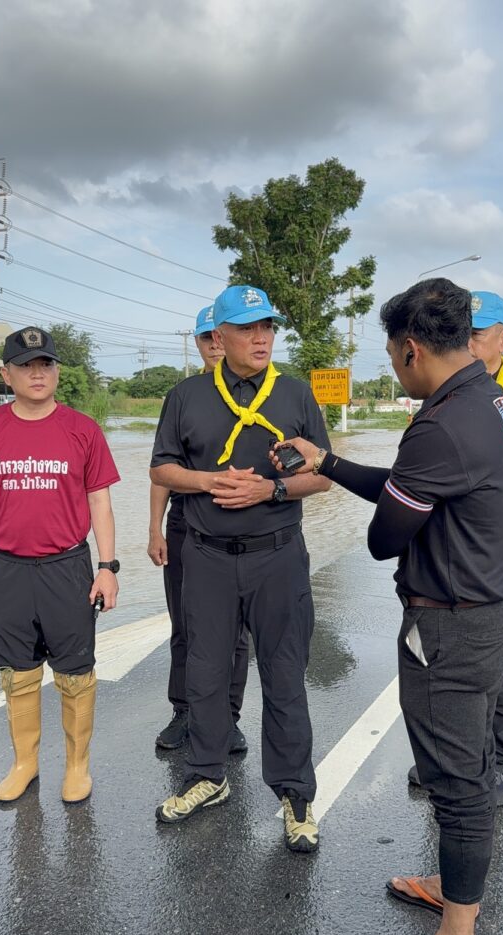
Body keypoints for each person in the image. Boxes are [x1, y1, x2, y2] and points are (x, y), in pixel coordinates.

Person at [270, 278, 503, 935]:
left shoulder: (441, 425)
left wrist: (385, 500)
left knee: (457, 783)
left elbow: (386, 536)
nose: (394, 367)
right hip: (498, 609)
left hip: (452, 627)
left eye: (391, 356)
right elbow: (421, 483)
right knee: (475, 763)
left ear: (411, 349)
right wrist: (326, 461)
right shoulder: (493, 399)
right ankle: (457, 888)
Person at [150, 284, 331, 853]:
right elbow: (161, 469)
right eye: (248, 328)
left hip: (277, 555)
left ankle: (296, 794)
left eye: (268, 327)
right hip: (205, 556)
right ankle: (207, 775)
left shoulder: (295, 394)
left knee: (284, 673)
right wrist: (208, 481)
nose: (261, 338)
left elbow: (323, 476)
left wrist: (270, 489)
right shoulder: (185, 396)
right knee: (205, 670)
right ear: (219, 336)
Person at [0, 327, 120, 803]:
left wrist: (107, 567)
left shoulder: (82, 429)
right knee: (17, 672)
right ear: (6, 375)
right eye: (25, 366)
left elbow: (100, 502)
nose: (37, 373)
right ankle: (24, 763)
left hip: (67, 568)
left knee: (75, 672)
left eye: (45, 364)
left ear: (57, 371)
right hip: (8, 569)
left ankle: (76, 766)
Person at [407, 291, 503, 805]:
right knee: (459, 680)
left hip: (499, 559)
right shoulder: (447, 390)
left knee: (495, 673)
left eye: (478, 334)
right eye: (464, 331)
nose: (468, 342)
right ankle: (458, 761)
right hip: (451, 560)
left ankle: (491, 765)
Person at [148, 305, 249, 753]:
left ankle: (228, 715)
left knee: (236, 630)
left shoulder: (258, 394)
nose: (214, 345)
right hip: (186, 524)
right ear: (199, 342)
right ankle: (184, 711)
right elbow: (161, 469)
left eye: (219, 336)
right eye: (206, 338)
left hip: (237, 529)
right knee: (186, 624)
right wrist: (154, 529)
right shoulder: (183, 396)